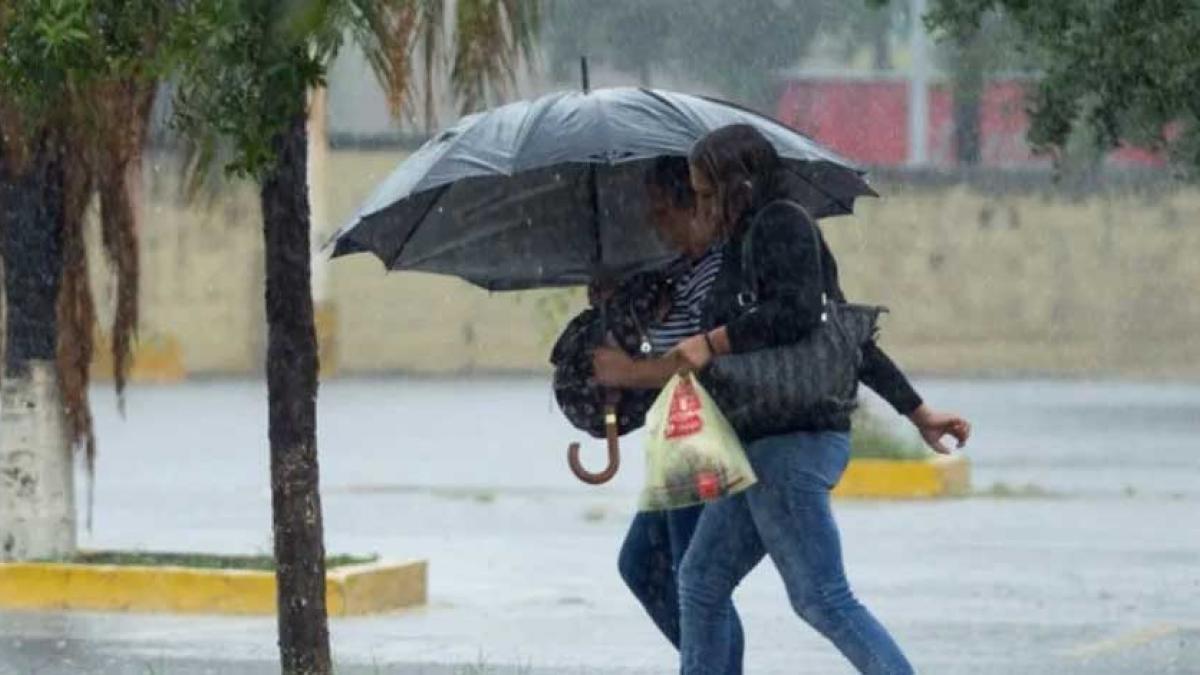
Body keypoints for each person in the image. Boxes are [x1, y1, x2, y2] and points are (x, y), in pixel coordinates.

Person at [593, 145, 970, 673]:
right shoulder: (743, 243)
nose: (702, 207)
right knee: (700, 582)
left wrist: (714, 341)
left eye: (707, 194)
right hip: (760, 443)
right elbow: (843, 336)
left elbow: (800, 318)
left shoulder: (781, 225)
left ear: (738, 183)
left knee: (822, 598)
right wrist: (919, 411)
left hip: (792, 442)